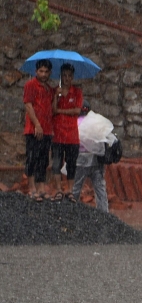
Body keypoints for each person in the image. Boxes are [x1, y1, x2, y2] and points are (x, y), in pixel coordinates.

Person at [23, 59, 54, 202]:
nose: (43, 74)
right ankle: (32, 188)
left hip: (47, 130)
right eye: (41, 71)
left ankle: (41, 188)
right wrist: (37, 124)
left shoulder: (49, 89)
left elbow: (51, 108)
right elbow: (29, 106)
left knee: (43, 159)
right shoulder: (30, 85)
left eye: (46, 71)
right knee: (32, 158)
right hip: (33, 129)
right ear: (36, 72)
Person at [50, 63, 83, 201]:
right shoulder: (55, 91)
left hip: (72, 135)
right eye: (64, 75)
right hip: (57, 134)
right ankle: (58, 189)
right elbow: (51, 110)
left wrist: (61, 111)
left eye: (69, 76)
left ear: (72, 77)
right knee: (56, 163)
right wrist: (56, 97)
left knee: (71, 164)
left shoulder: (77, 92)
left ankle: (70, 190)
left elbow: (77, 110)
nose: (67, 78)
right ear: (61, 76)